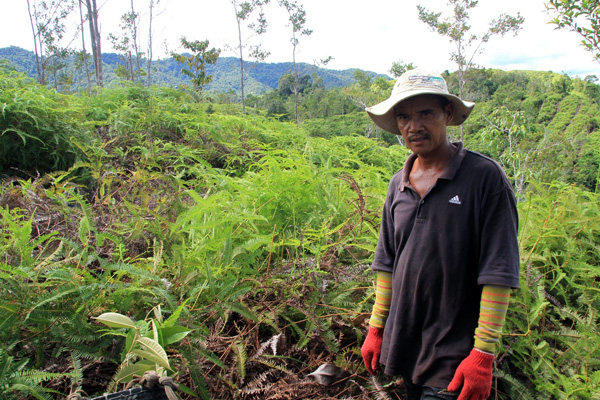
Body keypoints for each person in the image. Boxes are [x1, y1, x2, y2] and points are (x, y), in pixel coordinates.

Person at [360, 69, 520, 400]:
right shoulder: (397, 184)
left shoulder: (484, 178)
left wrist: (483, 354)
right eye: (403, 117)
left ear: (448, 114)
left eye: (426, 113)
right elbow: (388, 264)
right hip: (407, 351)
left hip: (456, 359)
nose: (413, 126)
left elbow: (499, 270)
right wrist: (376, 329)